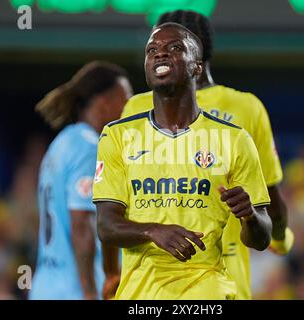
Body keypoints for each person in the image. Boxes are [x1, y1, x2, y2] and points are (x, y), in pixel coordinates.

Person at [121, 10, 293, 299]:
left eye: (172, 46)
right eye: (154, 47)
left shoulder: (135, 110)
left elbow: (114, 210)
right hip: (221, 277)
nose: (161, 53)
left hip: (146, 286)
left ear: (194, 54)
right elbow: (270, 201)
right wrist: (281, 238)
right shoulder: (246, 108)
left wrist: (112, 273)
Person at [30, 61, 133, 300]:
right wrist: (89, 292)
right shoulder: (89, 147)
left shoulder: (61, 143)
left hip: (46, 285)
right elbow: (81, 224)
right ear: (104, 101)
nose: (130, 107)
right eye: (126, 99)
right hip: (75, 289)